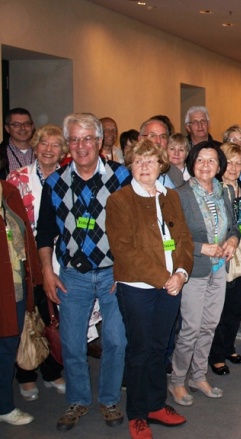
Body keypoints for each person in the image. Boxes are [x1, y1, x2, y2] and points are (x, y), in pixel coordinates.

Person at [36, 113, 132, 431]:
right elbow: (45, 232)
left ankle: (108, 399)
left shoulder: (121, 177)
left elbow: (135, 227)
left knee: (116, 340)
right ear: (69, 143)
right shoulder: (55, 182)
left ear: (100, 141)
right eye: (74, 139)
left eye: (87, 138)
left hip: (113, 273)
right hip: (72, 275)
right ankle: (78, 400)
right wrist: (48, 274)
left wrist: (127, 269)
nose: (81, 146)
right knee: (72, 342)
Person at [106, 138, 194, 438]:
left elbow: (182, 239)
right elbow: (124, 250)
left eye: (151, 161)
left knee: (160, 348)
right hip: (138, 288)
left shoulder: (170, 196)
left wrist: (181, 273)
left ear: (161, 165)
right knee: (140, 350)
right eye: (139, 161)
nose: (145, 166)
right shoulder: (119, 200)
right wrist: (164, 279)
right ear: (131, 164)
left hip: (171, 285)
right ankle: (138, 413)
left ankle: (157, 404)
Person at [169, 141, 239, 404]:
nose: (206, 165)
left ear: (219, 166)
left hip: (219, 270)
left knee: (209, 326)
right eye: (200, 160)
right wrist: (201, 248)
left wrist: (232, 241)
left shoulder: (225, 192)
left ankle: (199, 375)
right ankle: (176, 381)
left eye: (211, 160)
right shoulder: (180, 195)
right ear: (192, 164)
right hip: (194, 271)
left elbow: (233, 227)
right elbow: (173, 237)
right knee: (190, 329)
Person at [6, 125, 67, 401]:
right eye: (43, 143)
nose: (48, 149)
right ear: (35, 145)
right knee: (29, 316)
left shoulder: (69, 178)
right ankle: (26, 373)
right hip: (26, 257)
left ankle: (53, 370)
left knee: (54, 316)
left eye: (55, 145)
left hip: (61, 259)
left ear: (63, 151)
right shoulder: (17, 178)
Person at [208, 142, 241, 376]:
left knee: (235, 308)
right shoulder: (213, 191)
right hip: (220, 258)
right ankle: (216, 355)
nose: (234, 167)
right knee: (218, 309)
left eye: (239, 163)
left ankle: (228, 348)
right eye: (229, 162)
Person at [0, 180, 40, 426]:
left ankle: (4, 405)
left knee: (6, 349)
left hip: (13, 287)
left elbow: (25, 239)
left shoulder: (9, 191)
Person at [139, 118, 185, 188]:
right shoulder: (128, 171)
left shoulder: (176, 173)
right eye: (152, 136)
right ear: (140, 139)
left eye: (163, 137)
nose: (158, 141)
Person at [1, 108, 36, 179]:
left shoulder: (44, 151)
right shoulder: (1, 155)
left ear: (32, 127)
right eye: (16, 125)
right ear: (7, 128)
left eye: (26, 124)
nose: (23, 128)